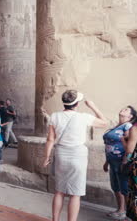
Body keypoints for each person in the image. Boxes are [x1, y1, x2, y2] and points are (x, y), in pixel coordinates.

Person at [42, 90, 107, 221]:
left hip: (61, 154)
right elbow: (105, 123)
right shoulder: (84, 117)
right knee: (75, 194)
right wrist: (93, 106)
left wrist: (46, 157)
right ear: (76, 104)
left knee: (59, 191)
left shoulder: (54, 116)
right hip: (78, 155)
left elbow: (50, 139)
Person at [102, 106, 137, 220]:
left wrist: (125, 160)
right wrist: (106, 162)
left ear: (130, 116)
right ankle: (120, 210)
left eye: (126, 110)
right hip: (112, 161)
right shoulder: (116, 126)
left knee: (124, 187)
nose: (123, 109)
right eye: (123, 108)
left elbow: (130, 144)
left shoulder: (128, 126)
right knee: (115, 186)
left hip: (121, 161)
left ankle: (129, 214)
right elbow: (109, 145)